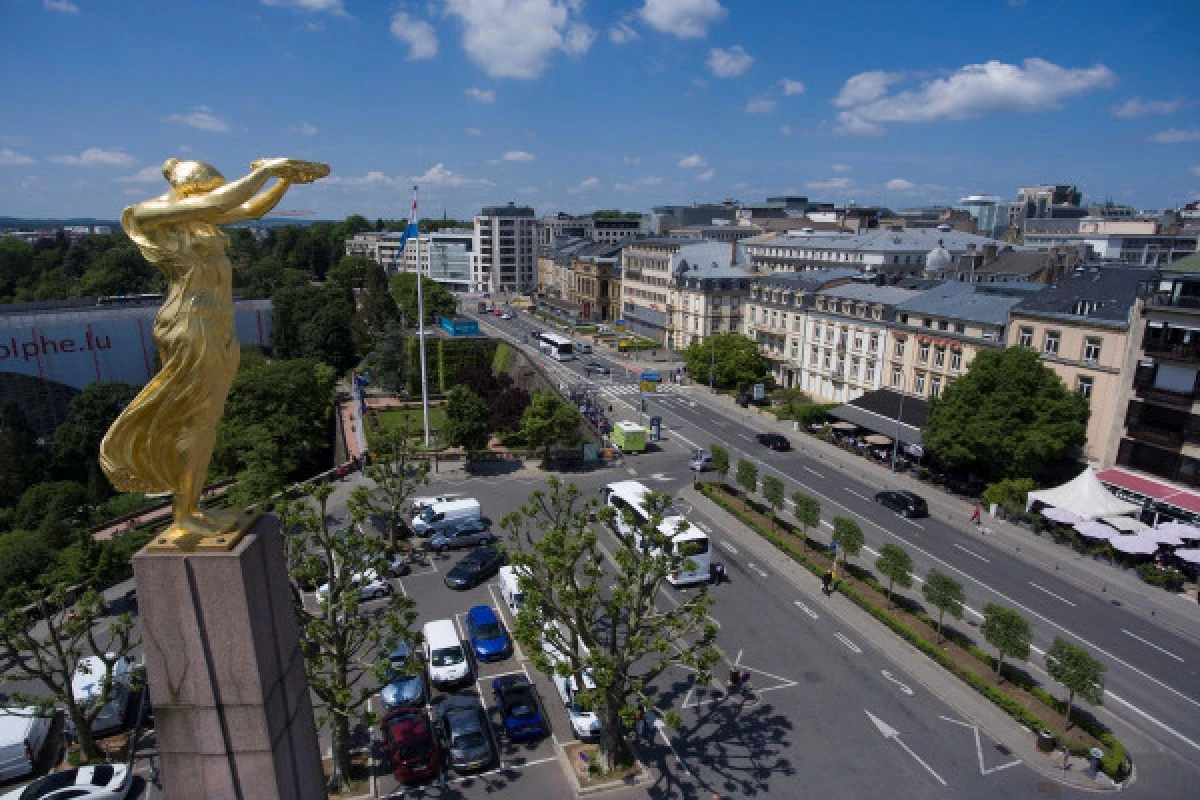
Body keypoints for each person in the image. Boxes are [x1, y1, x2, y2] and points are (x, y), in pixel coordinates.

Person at [99, 156, 327, 548]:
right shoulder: (148, 214)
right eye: (207, 189)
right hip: (189, 325)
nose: (212, 196)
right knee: (196, 419)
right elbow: (219, 203)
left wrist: (284, 181)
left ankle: (191, 507)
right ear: (189, 188)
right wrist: (269, 169)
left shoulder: (199, 220)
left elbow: (250, 208)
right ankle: (185, 513)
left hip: (217, 325)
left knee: (207, 419)